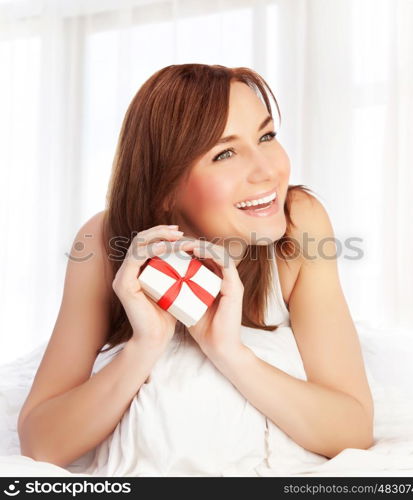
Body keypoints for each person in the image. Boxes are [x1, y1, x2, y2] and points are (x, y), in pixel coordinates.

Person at [17, 64, 374, 473]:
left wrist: (228, 352)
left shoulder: (300, 222)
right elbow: (41, 443)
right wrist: (144, 346)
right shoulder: (102, 242)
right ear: (165, 187)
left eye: (267, 136)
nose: (268, 171)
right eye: (225, 153)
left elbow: (353, 430)